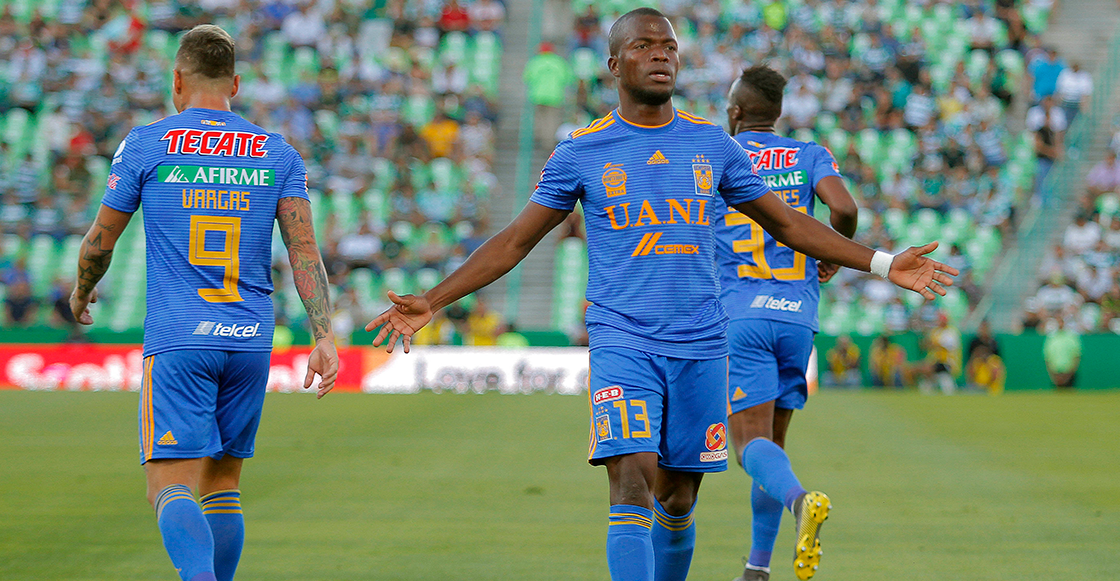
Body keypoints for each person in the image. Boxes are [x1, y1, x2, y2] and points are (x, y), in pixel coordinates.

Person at [366, 9, 957, 581]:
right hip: (624, 338)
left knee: (677, 499)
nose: (661, 55)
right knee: (631, 485)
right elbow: (516, 240)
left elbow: (789, 224)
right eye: (646, 47)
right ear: (614, 64)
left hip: (704, 343)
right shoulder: (581, 150)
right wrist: (435, 299)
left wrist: (880, 262)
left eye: (669, 47)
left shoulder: (713, 145)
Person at [68, 25, 338, 581]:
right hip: (248, 341)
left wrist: (80, 288)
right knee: (222, 485)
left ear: (176, 81)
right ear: (235, 83)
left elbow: (101, 239)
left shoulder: (148, 143)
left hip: (179, 338)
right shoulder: (278, 151)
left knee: (169, 485)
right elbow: (304, 250)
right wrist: (323, 335)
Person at [718, 64, 859, 581]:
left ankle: (802, 501)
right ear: (778, 113)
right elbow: (843, 207)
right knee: (772, 450)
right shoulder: (807, 154)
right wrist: (835, 255)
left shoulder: (717, 153)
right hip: (798, 316)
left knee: (748, 446)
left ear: (736, 112)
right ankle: (757, 569)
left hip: (739, 314)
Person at [1043, 316, 1081, 389]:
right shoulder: (1051, 338)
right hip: (1055, 370)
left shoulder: (1072, 337)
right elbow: (1047, 356)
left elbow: (1077, 355)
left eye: (1062, 322)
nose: (1060, 324)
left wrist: (1072, 371)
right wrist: (1052, 373)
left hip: (1068, 370)